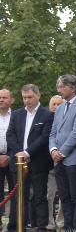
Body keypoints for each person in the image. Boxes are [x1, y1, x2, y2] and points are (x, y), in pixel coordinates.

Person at [6, 84, 53, 231]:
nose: (27, 100)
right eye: (24, 97)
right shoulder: (16, 114)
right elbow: (10, 135)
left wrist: (27, 153)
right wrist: (20, 152)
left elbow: (44, 137)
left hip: (38, 162)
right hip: (18, 162)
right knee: (20, 197)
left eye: (30, 97)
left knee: (39, 196)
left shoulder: (47, 115)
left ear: (38, 96)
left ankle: (41, 227)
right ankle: (20, 226)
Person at [49, 75, 76, 230]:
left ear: (72, 87)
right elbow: (53, 133)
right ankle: (67, 227)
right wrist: (53, 150)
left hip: (75, 160)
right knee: (65, 198)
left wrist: (62, 152)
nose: (58, 90)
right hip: (59, 160)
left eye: (61, 87)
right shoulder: (60, 107)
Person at [47, 95, 64, 231]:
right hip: (48, 164)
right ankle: (50, 223)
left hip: (65, 161)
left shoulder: (67, 118)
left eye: (59, 104)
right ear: (49, 106)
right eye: (54, 104)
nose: (56, 107)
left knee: (65, 195)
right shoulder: (45, 119)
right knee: (49, 196)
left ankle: (61, 222)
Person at [0, 89, 15, 231]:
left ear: (12, 100)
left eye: (5, 97)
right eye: (0, 97)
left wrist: (10, 155)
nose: (1, 100)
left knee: (15, 193)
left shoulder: (17, 116)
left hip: (13, 158)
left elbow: (21, 137)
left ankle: (13, 226)